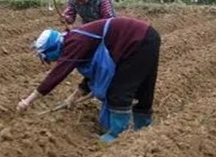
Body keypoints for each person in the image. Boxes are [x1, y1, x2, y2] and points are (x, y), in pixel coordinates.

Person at [17, 17, 161, 144]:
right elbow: (91, 76)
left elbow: (56, 75)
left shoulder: (73, 43)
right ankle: (143, 129)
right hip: (148, 37)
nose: (50, 60)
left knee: (119, 91)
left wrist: (28, 101)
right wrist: (72, 98)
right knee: (144, 87)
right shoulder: (75, 40)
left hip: (137, 41)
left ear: (52, 48)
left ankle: (117, 135)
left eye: (47, 56)